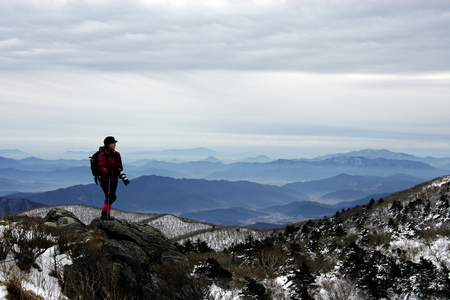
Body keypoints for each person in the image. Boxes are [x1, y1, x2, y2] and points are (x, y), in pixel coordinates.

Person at [98, 136, 129, 220]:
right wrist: (106, 172)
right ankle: (104, 215)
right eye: (113, 143)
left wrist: (124, 178)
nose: (114, 144)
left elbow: (119, 168)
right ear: (107, 144)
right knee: (109, 196)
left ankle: (106, 214)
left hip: (114, 178)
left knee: (111, 197)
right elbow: (101, 166)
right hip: (106, 179)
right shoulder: (102, 154)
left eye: (114, 143)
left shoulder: (116, 154)